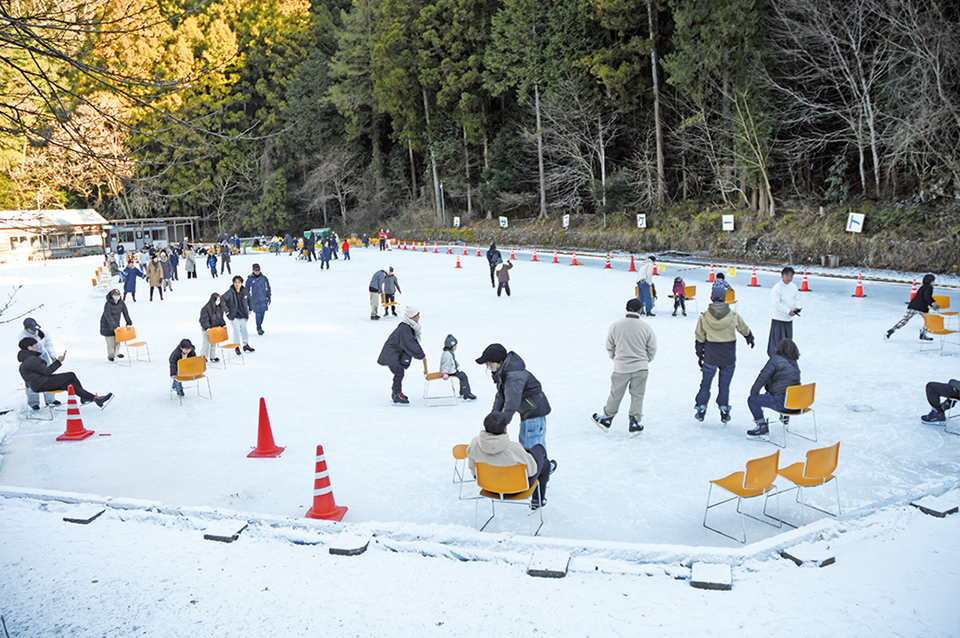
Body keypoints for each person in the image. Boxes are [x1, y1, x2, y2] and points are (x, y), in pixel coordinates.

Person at [592, 298, 657, 437]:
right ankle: (635, 422)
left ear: (626, 308)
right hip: (641, 367)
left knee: (616, 393)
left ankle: (607, 418)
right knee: (638, 395)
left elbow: (610, 345)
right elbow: (652, 348)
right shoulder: (645, 327)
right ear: (640, 310)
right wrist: (645, 360)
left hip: (621, 367)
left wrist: (615, 358)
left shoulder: (616, 325)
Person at [467, 412, 552, 509]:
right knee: (542, 459)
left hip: (488, 486)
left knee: (534, 456)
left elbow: (473, 470)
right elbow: (532, 471)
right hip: (516, 488)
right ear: (505, 428)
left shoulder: (474, 444)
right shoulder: (514, 449)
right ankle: (537, 500)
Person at [694, 287, 755, 423]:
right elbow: (743, 328)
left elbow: (699, 336)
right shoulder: (733, 315)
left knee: (706, 383)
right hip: (728, 355)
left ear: (711, 299)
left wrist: (700, 355)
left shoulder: (704, 317)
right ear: (725, 299)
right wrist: (749, 337)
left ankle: (701, 406)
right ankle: (724, 408)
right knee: (724, 385)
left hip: (711, 354)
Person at [476, 343, 551, 450]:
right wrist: (493, 419)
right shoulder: (505, 373)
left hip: (534, 414)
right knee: (527, 449)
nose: (488, 367)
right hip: (528, 412)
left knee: (533, 451)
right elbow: (501, 396)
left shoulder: (514, 376)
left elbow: (512, 402)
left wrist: (500, 425)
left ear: (498, 361)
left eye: (489, 363)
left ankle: (543, 467)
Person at [18, 338, 113, 408]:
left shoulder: (28, 359)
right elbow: (47, 372)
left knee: (70, 385)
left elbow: (44, 372)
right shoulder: (31, 360)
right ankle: (86, 397)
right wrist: (58, 362)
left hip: (41, 383)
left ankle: (94, 398)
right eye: (35, 344)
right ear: (29, 348)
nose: (37, 345)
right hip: (42, 384)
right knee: (70, 375)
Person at [746, 338, 801, 438]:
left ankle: (761, 426)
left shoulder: (775, 361)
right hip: (797, 403)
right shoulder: (794, 364)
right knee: (782, 390)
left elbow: (763, 377)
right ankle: (785, 417)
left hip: (782, 403)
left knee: (752, 400)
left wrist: (754, 392)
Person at [377, 306, 425, 404]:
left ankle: (396, 393)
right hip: (392, 354)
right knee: (399, 373)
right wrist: (420, 354)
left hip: (395, 353)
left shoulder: (408, 326)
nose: (419, 317)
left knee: (399, 373)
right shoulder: (405, 328)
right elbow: (409, 343)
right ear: (412, 317)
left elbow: (412, 342)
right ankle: (397, 394)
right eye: (417, 315)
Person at [17, 317, 61, 409]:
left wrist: (53, 356)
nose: (34, 331)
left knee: (48, 376)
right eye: (31, 329)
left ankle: (50, 400)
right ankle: (34, 403)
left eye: (35, 328)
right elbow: (25, 350)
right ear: (26, 329)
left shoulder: (43, 332)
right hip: (30, 359)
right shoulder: (22, 337)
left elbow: (49, 343)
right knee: (32, 379)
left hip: (43, 356)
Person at [887, 274, 939, 341]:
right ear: (931, 281)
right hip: (922, 308)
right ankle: (923, 334)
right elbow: (927, 297)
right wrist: (933, 303)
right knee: (929, 321)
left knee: (905, 319)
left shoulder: (923, 286)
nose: (934, 282)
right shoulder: (929, 287)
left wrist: (931, 303)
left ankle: (892, 330)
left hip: (913, 306)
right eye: (933, 281)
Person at [768, 266, 802, 356]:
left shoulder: (793, 286)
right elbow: (776, 303)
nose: (789, 278)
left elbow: (797, 298)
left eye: (791, 276)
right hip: (778, 319)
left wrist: (797, 308)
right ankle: (775, 357)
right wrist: (787, 311)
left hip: (789, 319)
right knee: (777, 341)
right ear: (782, 276)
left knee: (788, 340)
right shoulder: (777, 288)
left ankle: (787, 356)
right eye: (787, 276)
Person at [223, 275, 254, 355]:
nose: (237, 284)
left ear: (241, 283)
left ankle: (245, 344)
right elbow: (222, 299)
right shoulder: (230, 292)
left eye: (239, 283)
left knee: (244, 330)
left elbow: (249, 299)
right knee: (236, 330)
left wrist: (250, 308)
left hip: (243, 315)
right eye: (235, 282)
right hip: (234, 316)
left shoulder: (244, 291)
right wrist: (226, 310)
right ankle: (236, 346)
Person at [440, 334, 476, 400]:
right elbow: (445, 365)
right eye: (455, 345)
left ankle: (463, 392)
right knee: (463, 377)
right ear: (450, 346)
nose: (456, 347)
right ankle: (466, 393)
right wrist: (444, 373)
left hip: (453, 370)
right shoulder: (447, 354)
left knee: (463, 376)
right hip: (450, 371)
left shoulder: (449, 353)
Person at [99, 289, 132, 362]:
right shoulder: (108, 304)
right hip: (107, 325)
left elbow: (125, 313)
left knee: (117, 340)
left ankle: (117, 352)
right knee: (110, 341)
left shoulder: (121, 303)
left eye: (118, 295)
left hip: (116, 324)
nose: (117, 297)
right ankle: (111, 356)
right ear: (112, 296)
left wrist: (128, 323)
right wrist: (115, 326)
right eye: (115, 296)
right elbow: (108, 316)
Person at [245, 263, 272, 336]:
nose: (257, 271)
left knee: (262, 314)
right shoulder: (250, 279)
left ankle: (260, 325)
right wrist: (248, 299)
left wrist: (268, 296)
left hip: (263, 298)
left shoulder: (264, 278)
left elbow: (268, 287)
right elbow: (247, 289)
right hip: (255, 299)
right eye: (255, 270)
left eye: (258, 270)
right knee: (258, 314)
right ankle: (259, 327)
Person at [198, 292, 225, 362]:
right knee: (206, 343)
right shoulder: (206, 309)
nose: (218, 301)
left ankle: (212, 356)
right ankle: (203, 356)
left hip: (214, 329)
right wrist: (207, 327)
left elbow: (220, 318)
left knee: (214, 343)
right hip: (207, 329)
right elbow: (204, 319)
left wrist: (223, 324)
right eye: (217, 300)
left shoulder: (219, 308)